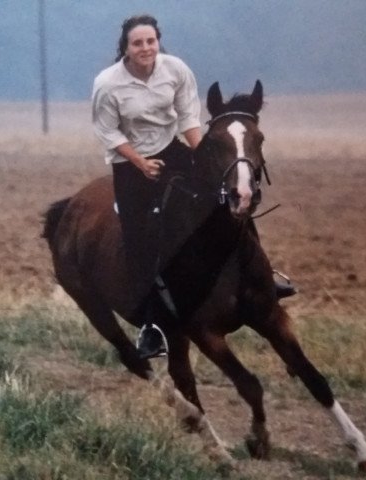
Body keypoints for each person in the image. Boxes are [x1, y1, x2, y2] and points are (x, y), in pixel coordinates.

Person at [92, 15, 295, 361]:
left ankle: (266, 277)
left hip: (172, 149)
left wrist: (209, 160)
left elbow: (188, 118)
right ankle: (152, 326)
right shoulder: (108, 83)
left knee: (232, 198)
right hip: (130, 163)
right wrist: (141, 163)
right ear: (125, 47)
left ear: (158, 42)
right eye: (137, 43)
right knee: (139, 236)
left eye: (150, 41)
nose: (145, 48)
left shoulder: (175, 70)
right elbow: (109, 134)